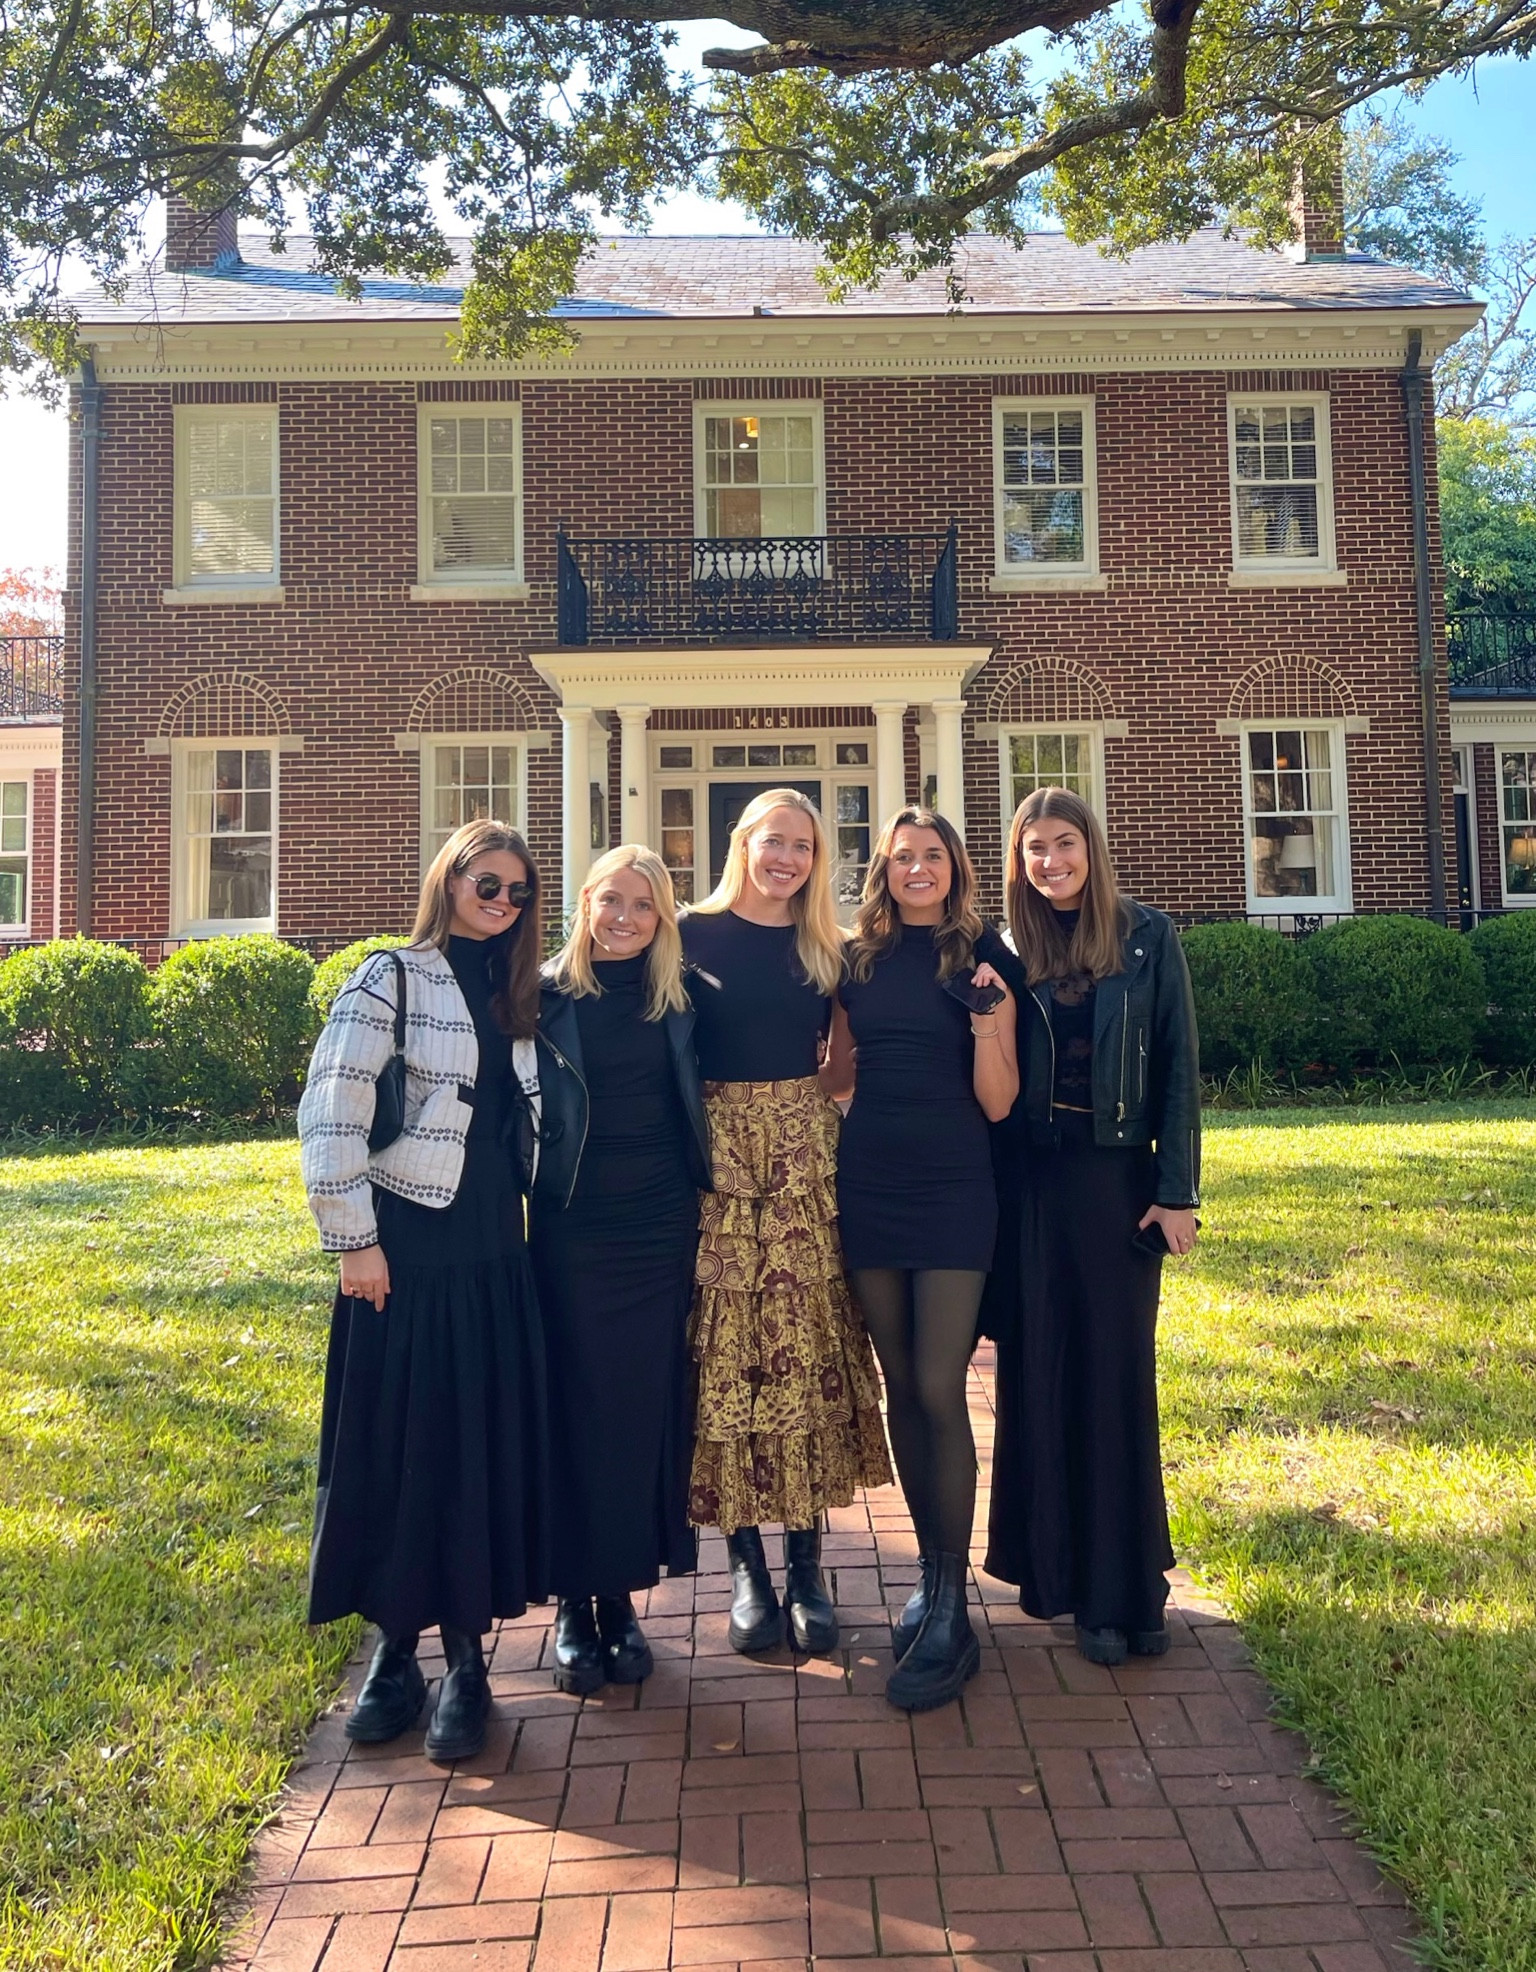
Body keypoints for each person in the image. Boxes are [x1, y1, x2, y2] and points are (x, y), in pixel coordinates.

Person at [297, 818, 549, 1764]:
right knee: (402, 1448)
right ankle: (395, 1655)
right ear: (448, 879)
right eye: (487, 884)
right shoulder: (388, 976)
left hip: (495, 1251)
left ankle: (468, 1661)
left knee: (472, 1448)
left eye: (519, 892)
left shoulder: (525, 992)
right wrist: (353, 1241)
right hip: (405, 1249)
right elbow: (331, 1110)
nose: (501, 903)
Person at [984, 786, 1201, 1666]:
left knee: (1115, 1378)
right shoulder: (1002, 948)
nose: (1050, 862)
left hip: (1117, 1185)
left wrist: (1177, 1190)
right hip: (1030, 1184)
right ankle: (1061, 1582)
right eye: (1034, 849)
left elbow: (1181, 1066)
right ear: (1019, 860)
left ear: (1090, 848)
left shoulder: (1149, 938)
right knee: (1040, 1372)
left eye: (1063, 845)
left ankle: (1127, 1591)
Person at [680, 787, 892, 1655]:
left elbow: (848, 1056)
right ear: (743, 843)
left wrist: (825, 1098)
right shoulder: (685, 932)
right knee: (731, 1343)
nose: (789, 858)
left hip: (805, 1152)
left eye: (805, 846)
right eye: (775, 841)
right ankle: (745, 1566)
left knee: (804, 1340)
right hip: (718, 1155)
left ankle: (806, 1564)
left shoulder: (827, 947)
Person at [822, 808, 1019, 1711]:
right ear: (884, 870)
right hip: (869, 1184)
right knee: (902, 1384)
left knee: (941, 1386)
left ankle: (953, 1603)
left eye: (931, 856)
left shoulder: (983, 957)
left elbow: (1001, 1101)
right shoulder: (856, 961)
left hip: (952, 1187)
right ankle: (933, 1582)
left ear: (955, 866)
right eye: (902, 858)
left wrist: (985, 1023)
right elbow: (835, 1072)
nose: (916, 870)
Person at [529, 845, 713, 1694]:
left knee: (642, 1408)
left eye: (644, 905)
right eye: (612, 901)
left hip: (660, 1225)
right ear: (584, 905)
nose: (626, 918)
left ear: (664, 916)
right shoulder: (542, 998)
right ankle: (576, 1600)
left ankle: (623, 1601)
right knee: (577, 1405)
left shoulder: (684, 1000)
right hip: (574, 1224)